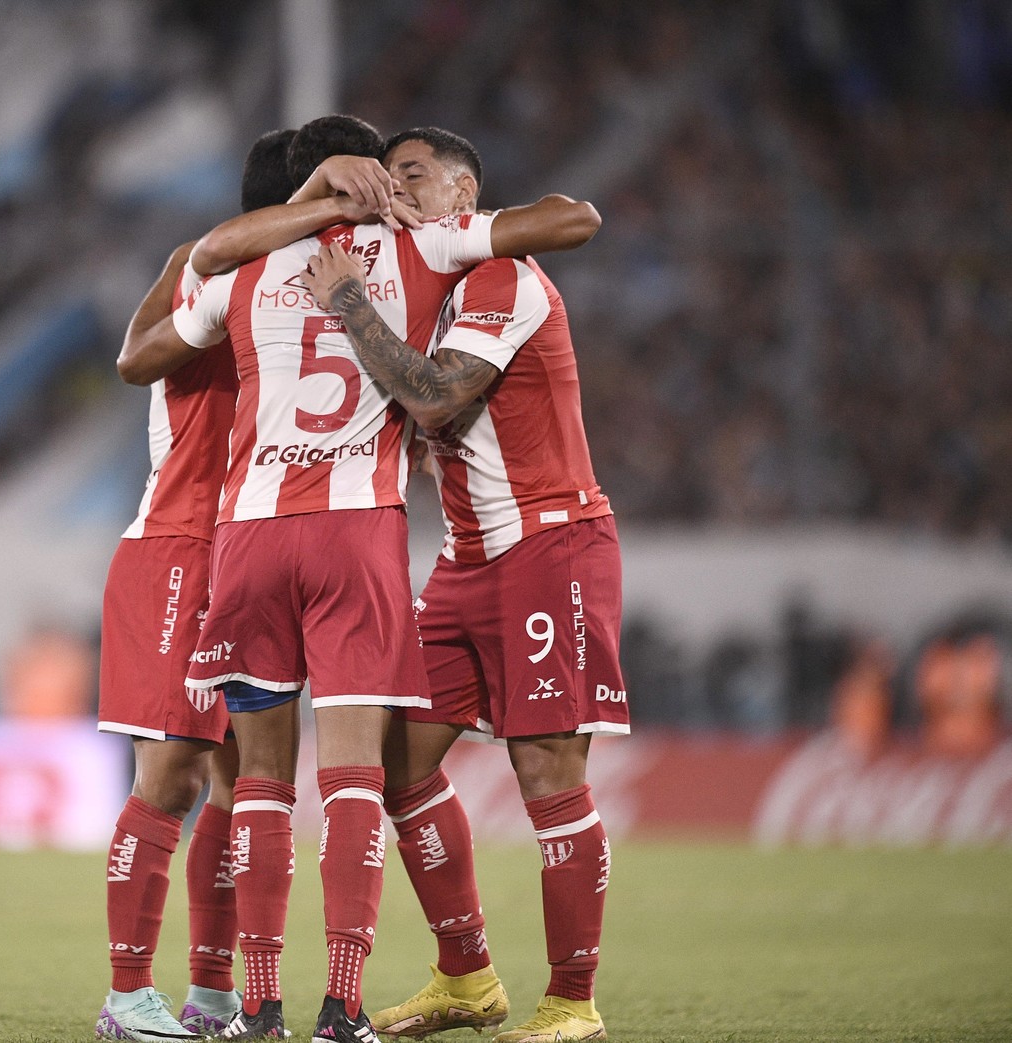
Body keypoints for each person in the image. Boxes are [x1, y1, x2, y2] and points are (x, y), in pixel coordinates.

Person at [120, 114, 577, 1043]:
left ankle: (252, 1005)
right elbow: (568, 220)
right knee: (355, 778)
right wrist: (413, 209)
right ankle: (340, 1006)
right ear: (368, 176)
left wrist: (305, 205)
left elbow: (176, 297)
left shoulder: (239, 263)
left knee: (253, 783)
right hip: (355, 534)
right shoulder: (421, 243)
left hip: (246, 534)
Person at [298, 127, 623, 1043]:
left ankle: (572, 1001)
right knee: (396, 764)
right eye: (383, 176)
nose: (392, 189)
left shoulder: (501, 277)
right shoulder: (426, 293)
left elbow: (436, 398)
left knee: (547, 771)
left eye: (410, 174)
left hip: (549, 545)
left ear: (461, 195)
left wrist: (351, 308)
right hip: (467, 559)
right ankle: (466, 977)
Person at [98, 127, 387, 1043]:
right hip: (183, 542)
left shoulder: (321, 282)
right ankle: (124, 995)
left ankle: (214, 994)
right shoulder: (214, 268)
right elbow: (136, 353)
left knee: (235, 784)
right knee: (174, 770)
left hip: (252, 548)